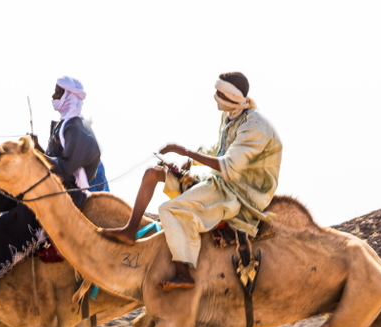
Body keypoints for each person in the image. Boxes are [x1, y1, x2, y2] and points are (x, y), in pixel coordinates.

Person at [103, 71, 282, 291]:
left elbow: (228, 164)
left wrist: (184, 151)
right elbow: (219, 150)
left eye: (219, 93)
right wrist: (189, 160)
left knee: (170, 210)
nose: (215, 97)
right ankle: (130, 230)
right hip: (220, 181)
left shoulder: (254, 127)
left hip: (238, 193)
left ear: (230, 97)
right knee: (152, 173)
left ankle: (183, 272)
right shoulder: (231, 116)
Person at [0, 76, 102, 295]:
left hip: (60, 198)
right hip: (41, 187)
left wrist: (34, 155)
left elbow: (65, 170)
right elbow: (55, 162)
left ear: (69, 96)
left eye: (58, 92)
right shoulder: (65, 125)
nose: (53, 96)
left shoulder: (78, 130)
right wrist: (37, 150)